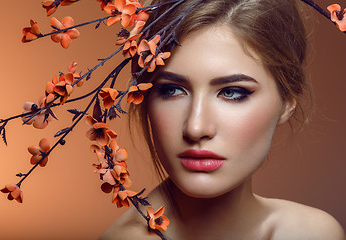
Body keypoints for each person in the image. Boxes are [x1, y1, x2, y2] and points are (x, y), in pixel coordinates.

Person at [100, 0, 346, 239]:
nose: (196, 128)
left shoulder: (314, 233)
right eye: (172, 90)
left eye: (232, 92)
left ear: (287, 101)